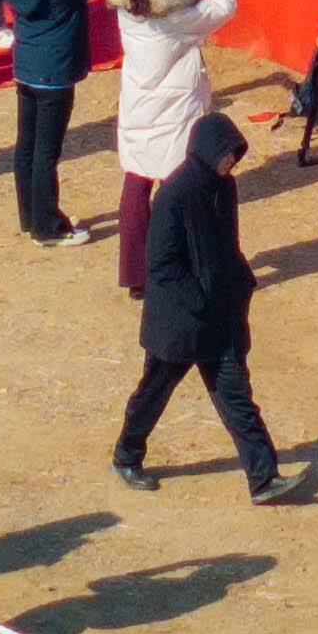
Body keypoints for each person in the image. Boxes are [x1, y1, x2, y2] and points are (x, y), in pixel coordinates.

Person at [107, 110, 285, 505]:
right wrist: (199, 300)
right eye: (225, 154)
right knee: (155, 391)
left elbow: (226, 245)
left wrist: (238, 284)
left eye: (233, 155)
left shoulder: (226, 188)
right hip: (181, 322)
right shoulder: (174, 195)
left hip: (218, 316)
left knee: (235, 395)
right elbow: (162, 264)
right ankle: (126, 455)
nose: (230, 162)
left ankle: (264, 478)